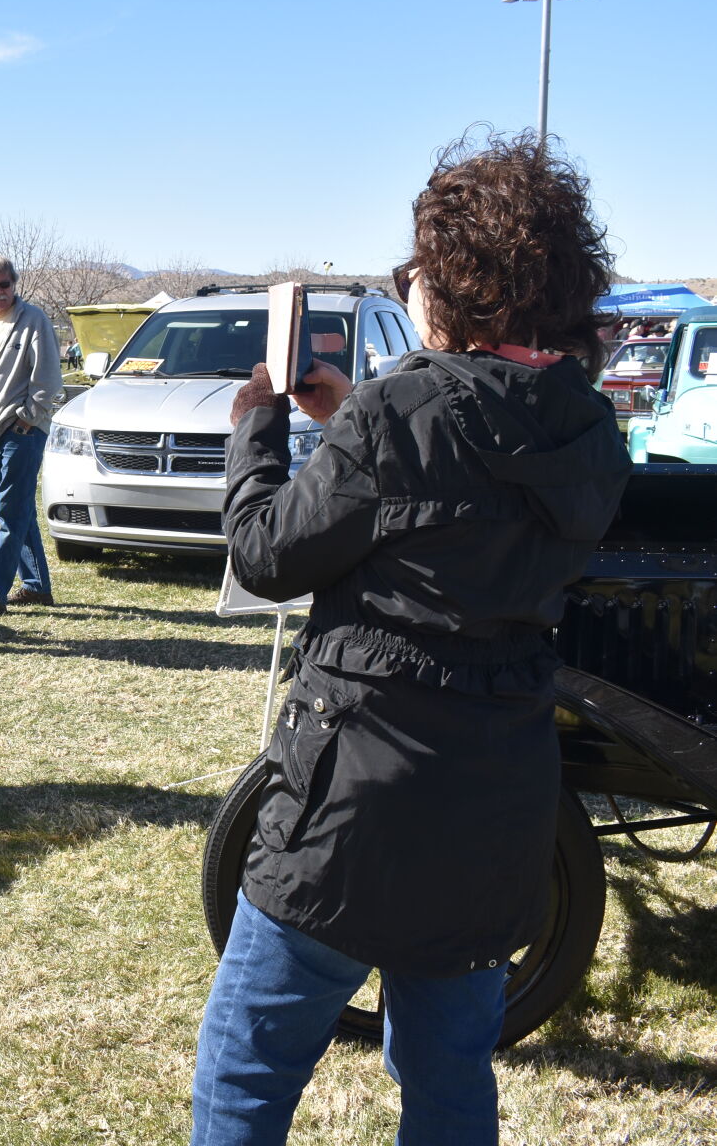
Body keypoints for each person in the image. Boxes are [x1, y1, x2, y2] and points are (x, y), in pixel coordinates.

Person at [190, 132, 632, 1145]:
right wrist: (356, 423)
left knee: (245, 1068)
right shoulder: (586, 429)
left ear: (456, 286)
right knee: (447, 1077)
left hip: (354, 811)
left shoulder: (400, 412)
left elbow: (265, 557)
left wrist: (257, 433)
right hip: (499, 806)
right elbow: (471, 495)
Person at [0, 254, 63, 618]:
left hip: (22, 431)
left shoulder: (33, 320)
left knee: (9, 511)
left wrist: (27, 419)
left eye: (4, 284)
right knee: (19, 510)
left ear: (14, 285)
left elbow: (49, 380)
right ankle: (36, 587)